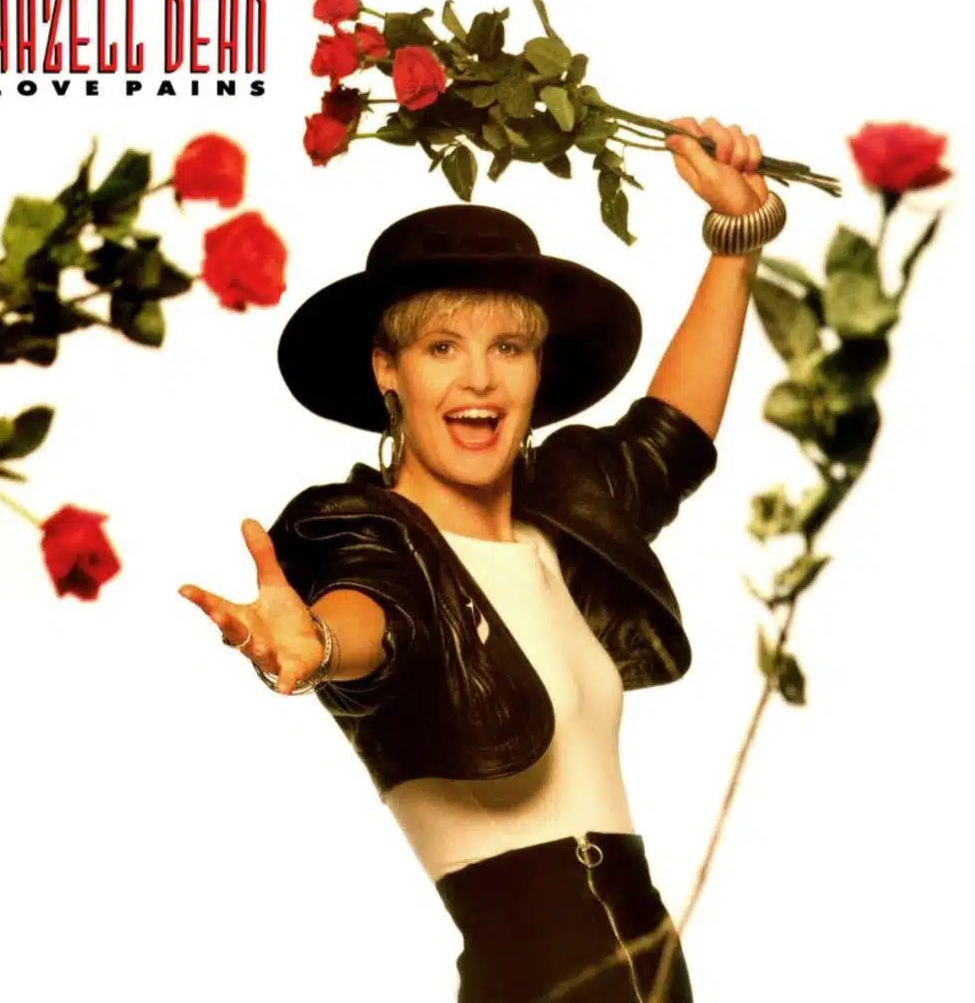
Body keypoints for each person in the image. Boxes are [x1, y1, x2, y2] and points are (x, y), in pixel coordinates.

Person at [180, 116, 781, 1002]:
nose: (479, 380)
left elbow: (672, 435)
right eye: (441, 348)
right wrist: (316, 641)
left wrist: (737, 239)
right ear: (388, 369)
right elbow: (377, 616)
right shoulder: (365, 534)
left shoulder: (566, 513)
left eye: (508, 347)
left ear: (538, 369)